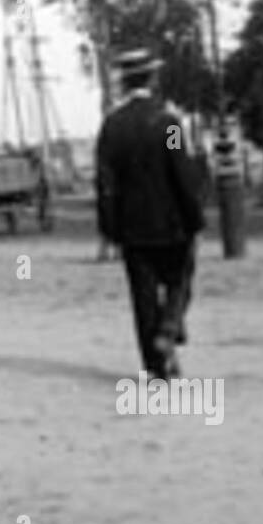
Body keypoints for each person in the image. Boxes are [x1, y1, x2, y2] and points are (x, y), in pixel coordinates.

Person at [95, 50, 205, 379]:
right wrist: (194, 218)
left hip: (132, 227)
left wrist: (110, 228)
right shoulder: (167, 122)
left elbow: (104, 183)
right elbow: (181, 172)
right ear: (152, 79)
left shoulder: (112, 126)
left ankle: (156, 369)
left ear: (124, 82)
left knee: (143, 297)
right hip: (171, 223)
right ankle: (170, 326)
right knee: (180, 278)